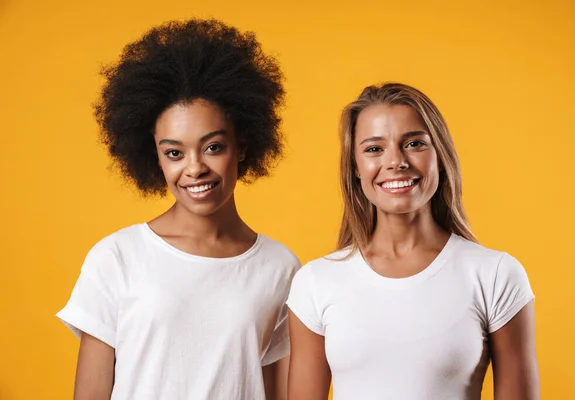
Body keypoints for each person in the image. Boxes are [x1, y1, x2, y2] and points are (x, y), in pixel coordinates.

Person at [57, 18, 299, 400]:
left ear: (243, 147)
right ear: (155, 158)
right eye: (174, 152)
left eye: (213, 146)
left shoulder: (280, 267)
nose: (194, 167)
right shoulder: (117, 257)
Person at [286, 83, 539, 400]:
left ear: (440, 156)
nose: (396, 162)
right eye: (374, 149)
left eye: (414, 144)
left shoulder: (496, 275)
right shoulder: (315, 282)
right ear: (355, 167)